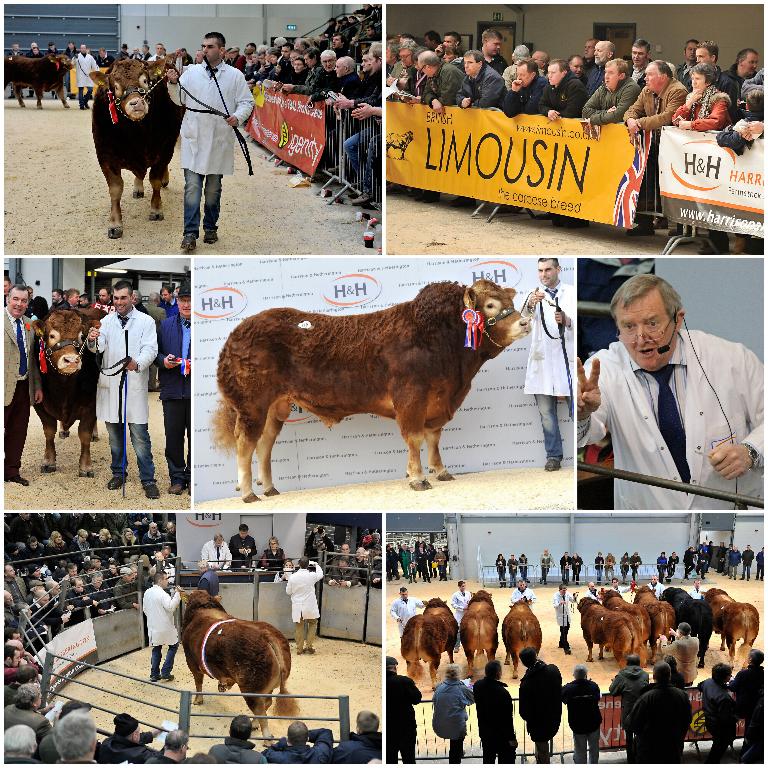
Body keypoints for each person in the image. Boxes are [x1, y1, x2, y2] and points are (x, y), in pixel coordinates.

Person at [577, 274, 763, 508]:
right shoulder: (603, 367)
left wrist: (751, 451)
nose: (640, 339)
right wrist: (582, 413)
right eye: (629, 327)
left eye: (652, 324)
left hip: (729, 517)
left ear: (678, 319)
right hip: (650, 524)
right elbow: (581, 437)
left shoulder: (731, 358)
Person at [166, 32, 254, 252]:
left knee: (213, 189)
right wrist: (174, 84)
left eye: (210, 46)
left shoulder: (234, 75)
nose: (205, 50)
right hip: (194, 135)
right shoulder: (191, 73)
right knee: (192, 188)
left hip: (218, 136)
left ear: (221, 50)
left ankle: (211, 227)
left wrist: (238, 116)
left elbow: (246, 102)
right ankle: (189, 233)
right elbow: (179, 100)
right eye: (203, 46)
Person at [86, 279, 160, 498]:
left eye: (123, 298)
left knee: (140, 437)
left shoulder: (145, 321)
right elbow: (99, 348)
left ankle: (148, 479)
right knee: (115, 437)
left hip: (133, 383)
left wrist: (137, 363)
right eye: (115, 298)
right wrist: (92, 340)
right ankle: (119, 473)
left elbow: (151, 348)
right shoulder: (106, 321)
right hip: (111, 385)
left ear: (132, 298)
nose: (118, 302)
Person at [520, 258, 574, 471]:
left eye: (548, 269)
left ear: (558, 270)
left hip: (566, 359)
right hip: (542, 364)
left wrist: (567, 321)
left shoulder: (570, 292)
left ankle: (584, 451)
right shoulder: (533, 295)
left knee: (577, 409)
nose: (544, 274)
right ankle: (554, 456)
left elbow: (579, 322)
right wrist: (530, 304)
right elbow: (523, 320)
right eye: (540, 270)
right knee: (546, 415)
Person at [155, 281, 191, 494]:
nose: (186, 305)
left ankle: (192, 478)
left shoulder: (206, 327)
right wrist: (163, 361)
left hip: (195, 392)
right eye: (183, 300)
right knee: (173, 438)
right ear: (177, 302)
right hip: (172, 390)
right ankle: (177, 478)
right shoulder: (166, 325)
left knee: (195, 439)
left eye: (189, 300)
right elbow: (155, 354)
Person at [5, 285, 43, 487]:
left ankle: (11, 471)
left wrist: (36, 386)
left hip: (23, 386)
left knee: (18, 431)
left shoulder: (30, 325)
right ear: (7, 298)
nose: (19, 304)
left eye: (24, 301)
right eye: (16, 299)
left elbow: (32, 361)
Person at [627, 661, 691, 762]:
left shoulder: (646, 698)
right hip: (673, 748)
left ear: (654, 676)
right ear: (670, 675)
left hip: (650, 751)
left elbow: (633, 723)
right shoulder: (683, 696)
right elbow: (688, 720)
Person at [519, 647, 562, 763]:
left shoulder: (525, 684)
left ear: (523, 663)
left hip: (537, 725)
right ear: (536, 656)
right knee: (542, 749)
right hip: (554, 718)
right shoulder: (553, 670)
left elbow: (523, 712)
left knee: (542, 751)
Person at [473, 659, 516, 763]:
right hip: (502, 735)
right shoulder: (503, 693)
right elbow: (508, 719)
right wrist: (512, 738)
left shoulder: (478, 686)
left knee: (488, 759)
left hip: (485, 732)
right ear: (498, 673)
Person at [608, 653, 649, 763]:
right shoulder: (645, 675)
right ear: (638, 663)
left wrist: (616, 683)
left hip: (628, 712)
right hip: (642, 710)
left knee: (629, 739)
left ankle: (630, 761)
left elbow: (612, 691)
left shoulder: (621, 675)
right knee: (641, 737)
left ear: (627, 663)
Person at [142, 571, 181, 682]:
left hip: (153, 626)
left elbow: (145, 609)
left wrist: (153, 618)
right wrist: (178, 594)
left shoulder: (147, 592)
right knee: (173, 646)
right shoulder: (162, 594)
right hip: (165, 626)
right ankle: (165, 672)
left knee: (156, 648)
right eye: (166, 579)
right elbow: (171, 607)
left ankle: (154, 674)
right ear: (160, 580)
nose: (167, 581)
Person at [432, 663, 474, 764]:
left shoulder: (439, 686)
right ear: (458, 674)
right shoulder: (462, 688)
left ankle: (459, 753)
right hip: (456, 724)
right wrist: (468, 686)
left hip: (440, 723)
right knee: (456, 748)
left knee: (455, 745)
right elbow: (473, 699)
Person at [583, 57, 641, 125]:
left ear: (621, 76)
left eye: (611, 73)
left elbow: (619, 116)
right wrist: (606, 112)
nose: (606, 76)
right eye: (605, 72)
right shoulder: (603, 87)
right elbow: (585, 111)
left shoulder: (631, 88)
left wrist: (593, 120)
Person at [561, 664, 601, 763]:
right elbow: (598, 698)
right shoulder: (593, 686)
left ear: (574, 675)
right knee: (594, 748)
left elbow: (563, 699)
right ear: (586, 674)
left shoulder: (567, 688)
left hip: (577, 724)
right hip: (593, 722)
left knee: (579, 749)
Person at [386, 656, 421, 764]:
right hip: (406, 728)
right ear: (395, 668)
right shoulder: (405, 681)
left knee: (390, 760)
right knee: (409, 759)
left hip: (389, 729)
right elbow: (417, 699)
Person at [699, 662, 737, 763]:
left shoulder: (707, 682)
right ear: (725, 677)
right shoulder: (723, 698)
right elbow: (725, 719)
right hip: (720, 728)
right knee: (717, 751)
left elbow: (699, 686)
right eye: (729, 675)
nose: (730, 677)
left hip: (709, 721)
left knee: (716, 745)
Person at [286, 558, 322, 655]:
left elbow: (288, 592)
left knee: (299, 626)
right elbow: (321, 574)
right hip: (309, 605)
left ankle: (299, 649)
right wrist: (315, 564)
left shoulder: (293, 577)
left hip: (297, 605)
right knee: (313, 623)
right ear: (307, 565)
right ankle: (309, 646)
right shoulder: (311, 576)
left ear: (299, 564)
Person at [729, 649, 763, 731]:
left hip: (742, 706)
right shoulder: (763, 674)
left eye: (748, 656)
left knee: (731, 723)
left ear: (750, 659)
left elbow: (733, 687)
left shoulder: (743, 673)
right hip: (757, 706)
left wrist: (731, 681)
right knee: (751, 728)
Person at [74, 44, 99, 109]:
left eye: (84, 48)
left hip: (88, 76)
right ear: (80, 49)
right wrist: (74, 58)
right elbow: (72, 64)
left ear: (86, 49)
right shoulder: (77, 56)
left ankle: (85, 101)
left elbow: (94, 65)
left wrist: (97, 72)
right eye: (82, 48)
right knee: (80, 91)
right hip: (80, 76)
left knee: (90, 90)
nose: (83, 49)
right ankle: (81, 105)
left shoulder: (90, 57)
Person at [449, 582, 472, 652]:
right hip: (459, 614)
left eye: (464, 586)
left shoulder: (468, 593)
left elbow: (470, 601)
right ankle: (457, 646)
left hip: (467, 614)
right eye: (462, 586)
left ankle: (469, 644)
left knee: (469, 629)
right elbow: (453, 604)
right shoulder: (455, 595)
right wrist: (462, 608)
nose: (463, 588)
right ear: (459, 587)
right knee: (458, 630)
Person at [553, 584, 574, 655]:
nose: (565, 592)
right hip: (560, 615)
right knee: (564, 631)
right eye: (563, 590)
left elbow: (573, 600)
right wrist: (560, 603)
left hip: (567, 614)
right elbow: (555, 605)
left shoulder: (567, 594)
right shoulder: (556, 595)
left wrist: (574, 597)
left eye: (565, 590)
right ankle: (566, 648)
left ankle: (561, 643)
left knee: (566, 629)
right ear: (560, 590)